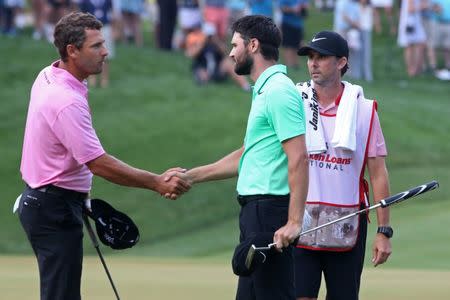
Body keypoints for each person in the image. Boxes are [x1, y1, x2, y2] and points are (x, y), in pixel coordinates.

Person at [17, 12, 190, 300]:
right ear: (72, 51)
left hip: (50, 200)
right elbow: (98, 163)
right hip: (53, 206)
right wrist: (157, 182)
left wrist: (79, 195)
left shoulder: (50, 74)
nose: (106, 52)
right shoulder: (65, 100)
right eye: (96, 46)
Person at [169, 15, 309, 299]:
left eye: (234, 44)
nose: (231, 52)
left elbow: (299, 159)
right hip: (255, 213)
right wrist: (190, 176)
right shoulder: (265, 90)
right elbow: (247, 155)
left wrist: (294, 221)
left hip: (270, 213)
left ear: (253, 45)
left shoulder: (279, 91)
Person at [295, 31, 392, 300]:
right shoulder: (294, 103)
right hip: (300, 222)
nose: (313, 63)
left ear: (341, 62)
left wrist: (384, 231)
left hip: (347, 225)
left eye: (322, 57)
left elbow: (378, 173)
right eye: (310, 57)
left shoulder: (364, 110)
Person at [184, 22, 250, 90]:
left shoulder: (216, 44)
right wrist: (202, 42)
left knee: (228, 63)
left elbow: (227, 53)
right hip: (203, 68)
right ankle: (205, 84)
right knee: (201, 73)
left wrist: (216, 41)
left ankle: (245, 86)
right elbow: (190, 54)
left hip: (217, 69)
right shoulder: (199, 43)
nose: (209, 38)